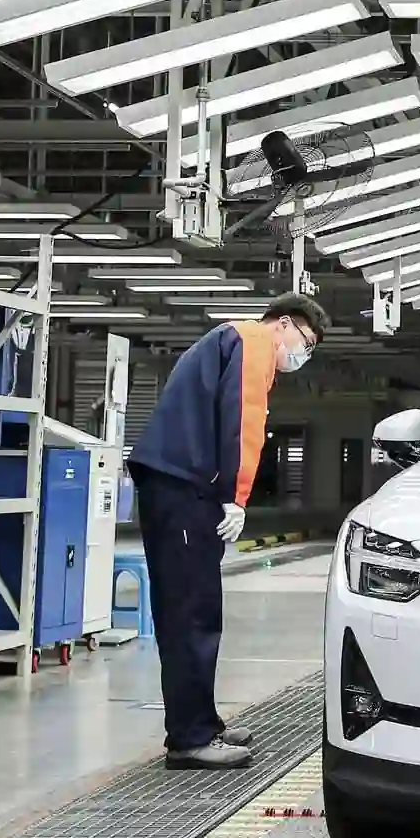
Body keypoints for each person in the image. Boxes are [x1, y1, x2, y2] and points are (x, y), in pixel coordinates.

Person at [126, 293, 330, 770]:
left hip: (178, 485)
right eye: (305, 342)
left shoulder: (228, 341)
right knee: (191, 612)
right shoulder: (253, 340)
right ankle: (190, 738)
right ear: (283, 324)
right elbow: (243, 420)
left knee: (194, 609)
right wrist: (236, 497)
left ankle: (201, 722)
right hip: (183, 490)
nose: (302, 355)